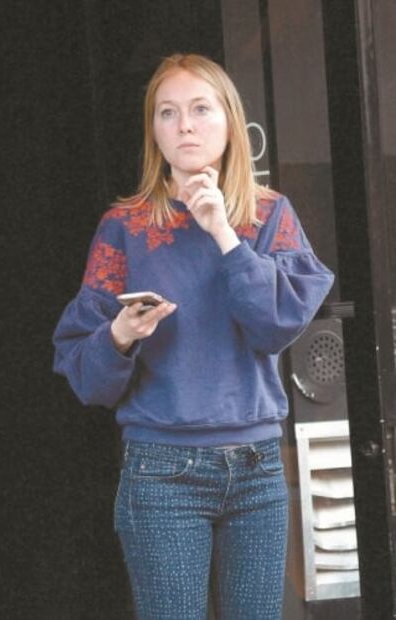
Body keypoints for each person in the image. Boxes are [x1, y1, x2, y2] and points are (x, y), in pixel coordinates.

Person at [53, 53, 334, 620]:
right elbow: (85, 374)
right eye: (168, 112)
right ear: (154, 132)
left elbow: (276, 327)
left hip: (257, 467)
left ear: (230, 121)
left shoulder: (269, 215)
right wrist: (120, 334)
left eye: (201, 109)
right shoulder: (125, 226)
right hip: (162, 472)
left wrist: (225, 235)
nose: (184, 125)